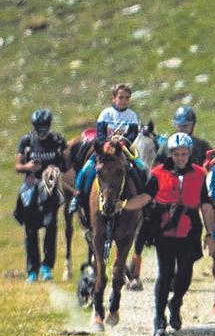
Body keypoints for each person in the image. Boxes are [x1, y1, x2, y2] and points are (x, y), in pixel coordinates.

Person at [146, 133, 214, 336]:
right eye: (176, 154)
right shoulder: (157, 173)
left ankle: (175, 303)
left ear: (189, 154)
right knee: (165, 274)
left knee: (185, 273)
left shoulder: (200, 174)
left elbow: (206, 205)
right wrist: (125, 207)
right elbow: (146, 198)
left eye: (184, 154)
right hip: (165, 230)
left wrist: (210, 234)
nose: (180, 158)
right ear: (171, 154)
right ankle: (159, 319)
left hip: (190, 229)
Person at [73, 84, 148, 221]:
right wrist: (106, 143)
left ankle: (144, 201)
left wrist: (123, 142)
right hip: (105, 150)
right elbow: (100, 132)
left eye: (127, 98)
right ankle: (78, 196)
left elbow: (133, 133)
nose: (124, 101)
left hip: (122, 149)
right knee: (86, 169)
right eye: (121, 97)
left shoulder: (131, 116)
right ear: (114, 98)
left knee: (141, 168)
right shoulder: (106, 114)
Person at [14, 109, 67, 282]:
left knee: (51, 226)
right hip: (30, 188)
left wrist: (55, 169)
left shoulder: (57, 141)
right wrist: (28, 167)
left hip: (50, 187)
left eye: (44, 126)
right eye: (38, 127)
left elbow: (66, 164)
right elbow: (17, 166)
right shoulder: (26, 141)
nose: (41, 130)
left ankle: (46, 266)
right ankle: (32, 270)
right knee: (30, 230)